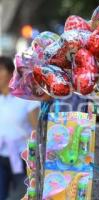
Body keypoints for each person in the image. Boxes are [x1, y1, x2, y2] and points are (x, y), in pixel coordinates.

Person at [0, 56, 40, 200]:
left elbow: (37, 129)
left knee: (20, 196)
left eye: (1, 70)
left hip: (22, 158)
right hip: (2, 157)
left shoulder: (26, 98)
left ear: (11, 73)